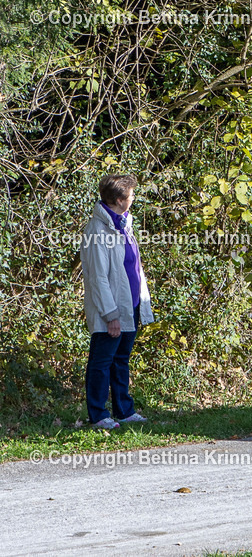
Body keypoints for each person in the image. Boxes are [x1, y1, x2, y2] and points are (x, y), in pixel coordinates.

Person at [81, 174, 154, 429]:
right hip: (110, 309)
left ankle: (124, 410)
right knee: (102, 362)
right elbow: (98, 278)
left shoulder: (124, 224)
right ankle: (98, 415)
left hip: (129, 303)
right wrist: (111, 314)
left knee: (121, 359)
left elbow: (132, 267)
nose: (133, 198)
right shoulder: (97, 230)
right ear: (119, 199)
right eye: (131, 194)